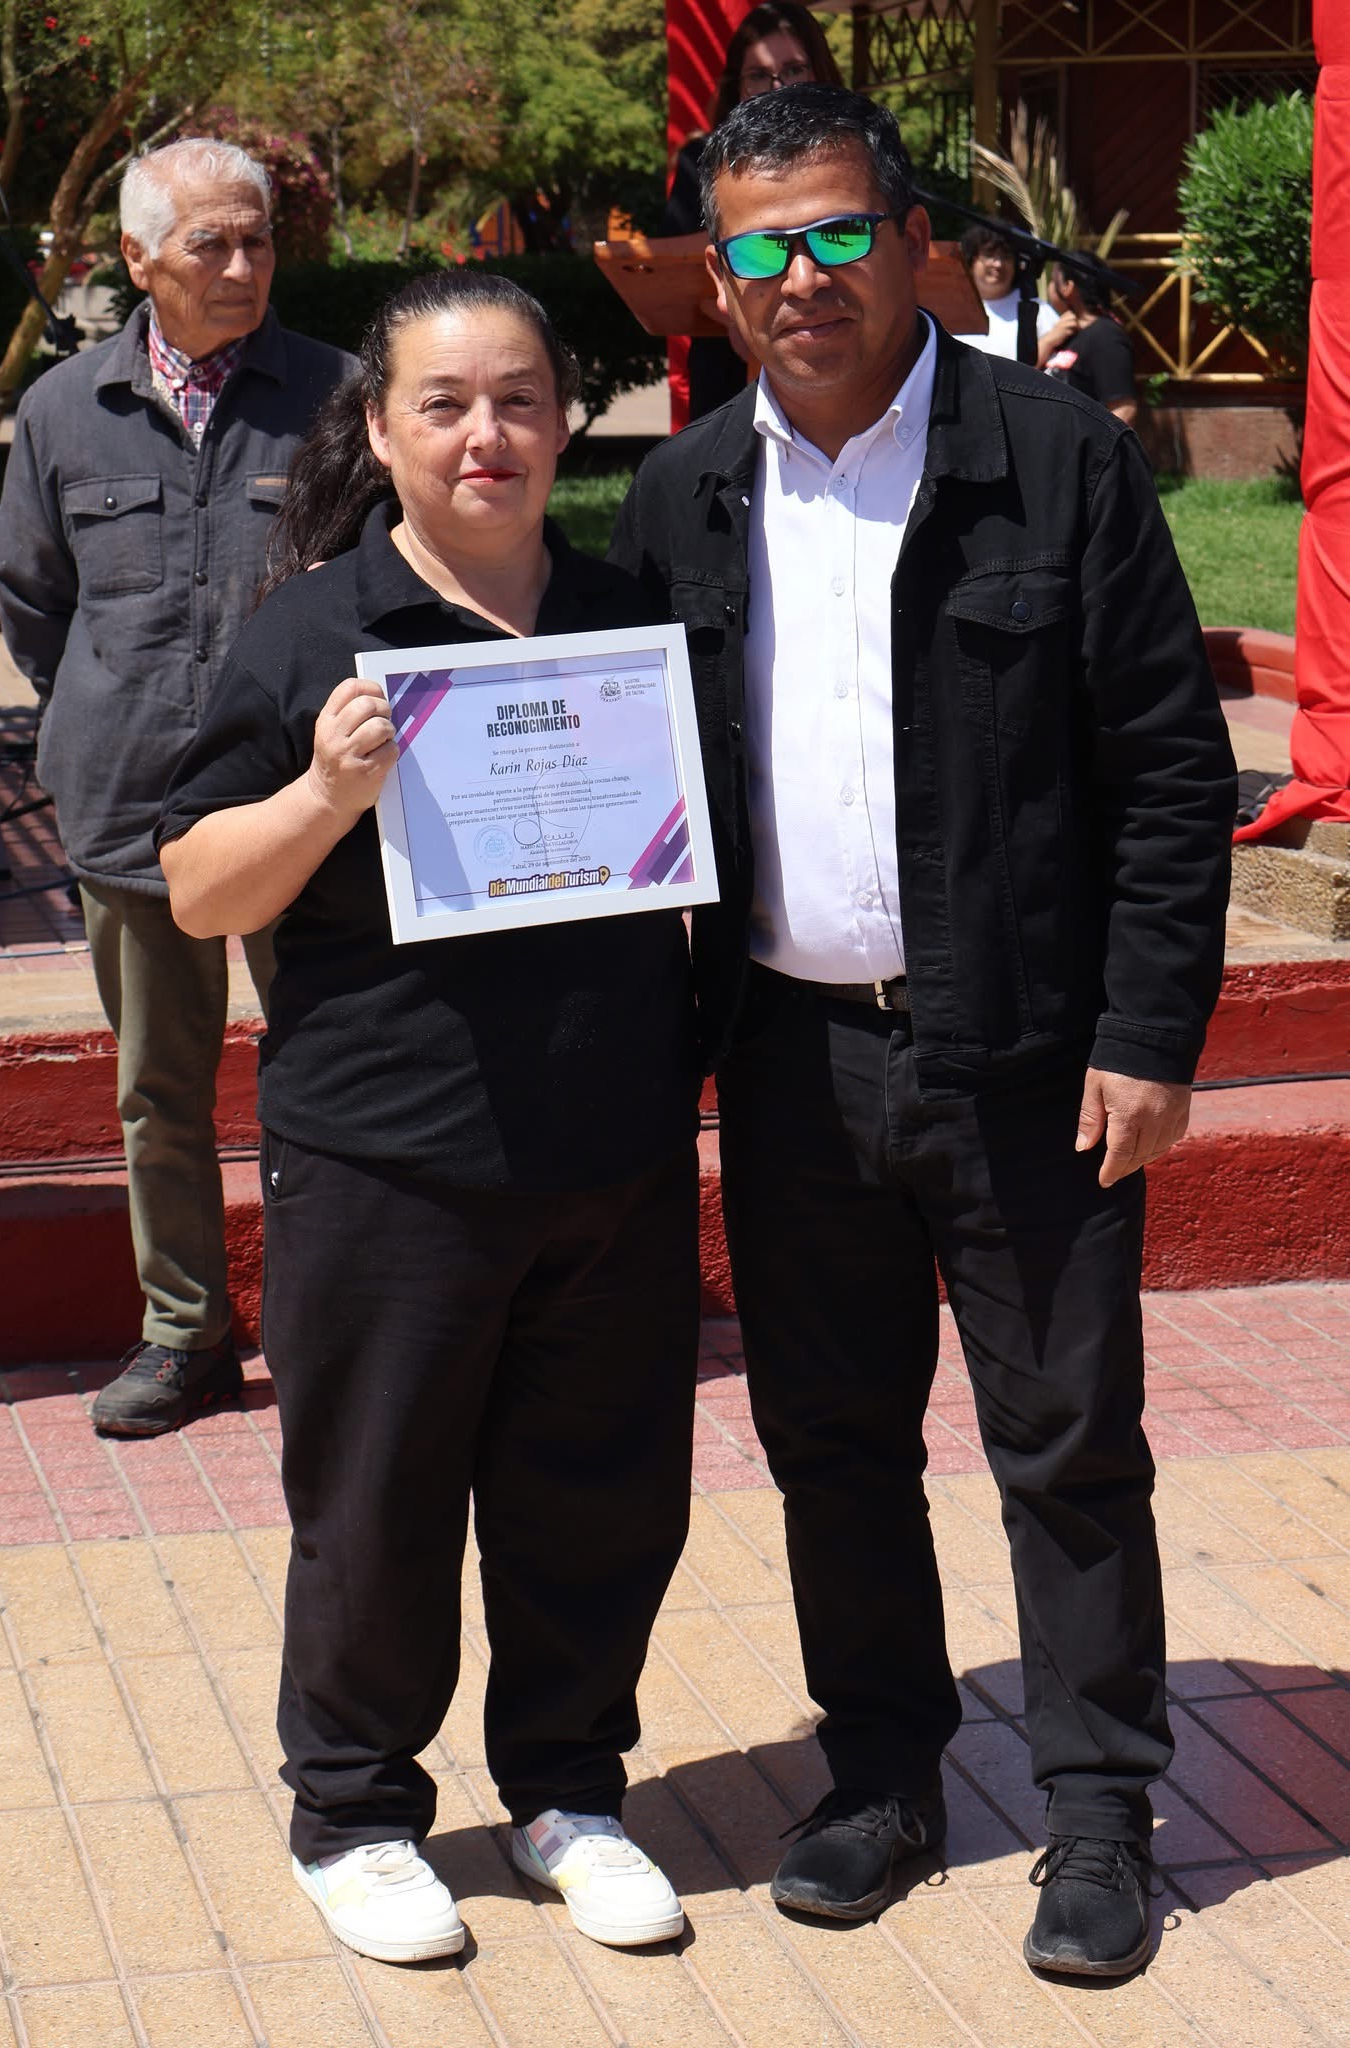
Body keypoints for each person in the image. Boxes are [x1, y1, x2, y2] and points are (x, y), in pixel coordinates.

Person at [609, 84, 1236, 1980]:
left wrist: (1150, 1031)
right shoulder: (680, 492)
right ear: (716, 286)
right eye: (758, 248)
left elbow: (1168, 774)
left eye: (833, 232)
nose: (801, 277)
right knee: (835, 1442)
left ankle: (1104, 1808)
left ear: (908, 239)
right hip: (794, 1060)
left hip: (1031, 1059)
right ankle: (883, 1771)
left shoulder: (1055, 458)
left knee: (1066, 1442)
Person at [156, 269, 701, 1964]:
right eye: (447, 404)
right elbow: (191, 886)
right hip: (390, 1157)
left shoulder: (627, 616)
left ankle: (566, 1789)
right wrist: (325, 790)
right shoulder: (313, 632)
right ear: (382, 430)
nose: (489, 434)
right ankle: (358, 1809)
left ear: (561, 418)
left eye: (522, 398)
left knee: (596, 1492)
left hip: (606, 1151)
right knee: (381, 1498)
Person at [0, 138, 354, 1437]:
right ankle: (185, 1332)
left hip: (300, 810)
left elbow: (377, 592)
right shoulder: (58, 411)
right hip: (129, 802)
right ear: (138, 259)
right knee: (159, 1087)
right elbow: (36, 610)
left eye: (259, 240)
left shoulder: (337, 397)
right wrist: (116, 706)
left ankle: (334, 1323)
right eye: (213, 244)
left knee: (330, 1070)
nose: (246, 266)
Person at [663, 0, 843, 421]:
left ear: (820, 72)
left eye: (794, 69)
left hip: (840, 359)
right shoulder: (701, 162)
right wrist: (735, 315)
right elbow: (671, 269)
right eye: (759, 76)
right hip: (727, 372)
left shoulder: (859, 159)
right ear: (737, 86)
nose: (777, 88)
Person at [1040, 252, 1138, 426]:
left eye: (1053, 281)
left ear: (1067, 288)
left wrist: (1092, 452)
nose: (1049, 286)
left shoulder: (1106, 335)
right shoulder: (1064, 334)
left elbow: (1124, 408)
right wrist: (1048, 341)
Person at [953, 219, 1057, 364]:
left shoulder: (1038, 310)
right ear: (971, 259)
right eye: (989, 255)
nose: (998, 264)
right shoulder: (951, 308)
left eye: (1006, 256)